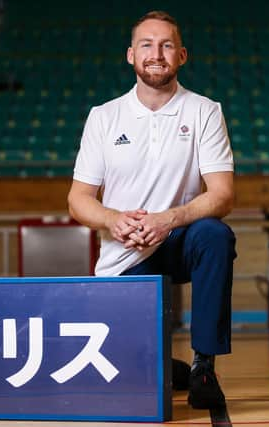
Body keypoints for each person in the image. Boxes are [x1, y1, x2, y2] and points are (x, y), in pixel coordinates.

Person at [67, 10, 236, 410]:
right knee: (135, 374)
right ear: (130, 55)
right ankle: (168, 365)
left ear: (182, 55)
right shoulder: (104, 117)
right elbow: (78, 200)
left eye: (165, 45)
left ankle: (204, 365)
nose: (156, 53)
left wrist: (168, 219)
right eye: (146, 44)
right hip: (126, 250)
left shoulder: (204, 111)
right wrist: (113, 219)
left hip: (181, 240)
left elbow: (224, 195)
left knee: (215, 234)